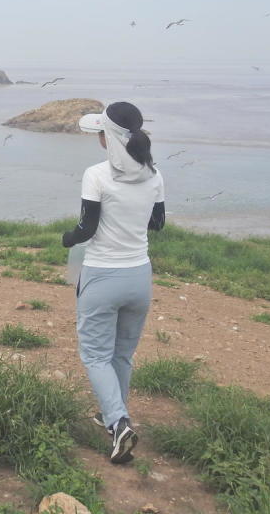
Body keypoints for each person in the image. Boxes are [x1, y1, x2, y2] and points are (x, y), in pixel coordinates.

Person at [61, 102, 165, 464]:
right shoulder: (155, 176)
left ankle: (119, 424)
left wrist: (68, 239)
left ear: (111, 140)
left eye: (101, 133)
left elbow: (87, 228)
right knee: (121, 354)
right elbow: (157, 223)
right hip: (140, 276)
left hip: (103, 274)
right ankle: (113, 417)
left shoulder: (96, 175)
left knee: (94, 353)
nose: (99, 138)